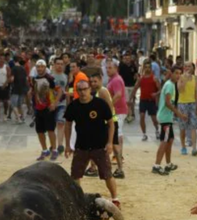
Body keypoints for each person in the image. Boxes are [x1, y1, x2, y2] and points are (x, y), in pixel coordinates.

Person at [64, 80, 120, 208]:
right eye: (80, 90)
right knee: (76, 175)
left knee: (107, 174)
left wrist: (110, 142)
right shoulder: (73, 106)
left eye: (85, 89)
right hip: (81, 146)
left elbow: (111, 123)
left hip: (99, 146)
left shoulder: (100, 104)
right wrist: (67, 144)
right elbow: (67, 125)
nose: (83, 92)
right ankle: (77, 200)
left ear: (90, 89)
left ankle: (115, 199)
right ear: (77, 92)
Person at [152, 66, 187, 176]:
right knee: (164, 141)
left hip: (168, 117)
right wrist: (179, 114)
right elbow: (168, 103)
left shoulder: (172, 85)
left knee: (170, 140)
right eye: (176, 73)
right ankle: (157, 165)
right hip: (165, 118)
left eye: (179, 73)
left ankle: (168, 163)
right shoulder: (169, 85)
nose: (178, 75)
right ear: (171, 73)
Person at [32, 60, 58, 161]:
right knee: (39, 131)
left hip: (48, 108)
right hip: (38, 108)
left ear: (45, 67)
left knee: (51, 130)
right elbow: (34, 91)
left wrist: (54, 103)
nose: (39, 69)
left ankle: (54, 150)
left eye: (41, 67)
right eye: (38, 67)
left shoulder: (50, 79)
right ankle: (44, 150)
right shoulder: (34, 79)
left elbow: (58, 91)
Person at [106, 62, 127, 178]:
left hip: (117, 111)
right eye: (107, 67)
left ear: (116, 69)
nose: (108, 70)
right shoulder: (113, 79)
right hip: (117, 110)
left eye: (110, 68)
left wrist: (109, 106)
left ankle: (119, 165)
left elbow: (118, 95)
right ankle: (118, 159)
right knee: (117, 136)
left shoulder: (116, 80)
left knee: (116, 137)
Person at [131, 61, 160, 141]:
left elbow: (160, 90)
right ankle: (144, 134)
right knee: (142, 116)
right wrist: (130, 98)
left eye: (149, 67)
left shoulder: (154, 78)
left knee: (154, 119)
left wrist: (156, 94)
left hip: (151, 101)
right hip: (143, 100)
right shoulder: (141, 79)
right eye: (146, 67)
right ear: (143, 68)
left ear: (151, 69)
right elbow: (135, 88)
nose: (147, 69)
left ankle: (157, 130)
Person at [177, 62, 197, 157]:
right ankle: (183, 146)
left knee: (193, 126)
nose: (187, 68)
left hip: (193, 103)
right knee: (183, 127)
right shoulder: (181, 77)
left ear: (192, 68)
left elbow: (196, 92)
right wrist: (185, 80)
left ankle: (194, 148)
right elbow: (180, 90)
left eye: (189, 66)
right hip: (182, 104)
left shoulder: (195, 78)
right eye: (185, 66)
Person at [118, 52, 137, 123]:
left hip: (132, 85)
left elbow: (135, 73)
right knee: (127, 101)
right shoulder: (121, 65)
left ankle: (131, 113)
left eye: (128, 58)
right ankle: (129, 115)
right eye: (125, 58)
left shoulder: (133, 65)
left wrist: (136, 77)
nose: (127, 60)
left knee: (131, 101)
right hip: (124, 85)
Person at [9, 56, 28, 124]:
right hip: (22, 88)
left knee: (13, 104)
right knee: (20, 105)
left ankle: (18, 118)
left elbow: (12, 79)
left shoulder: (14, 68)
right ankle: (22, 118)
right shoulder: (23, 68)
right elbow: (26, 79)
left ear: (14, 61)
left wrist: (9, 80)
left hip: (15, 88)